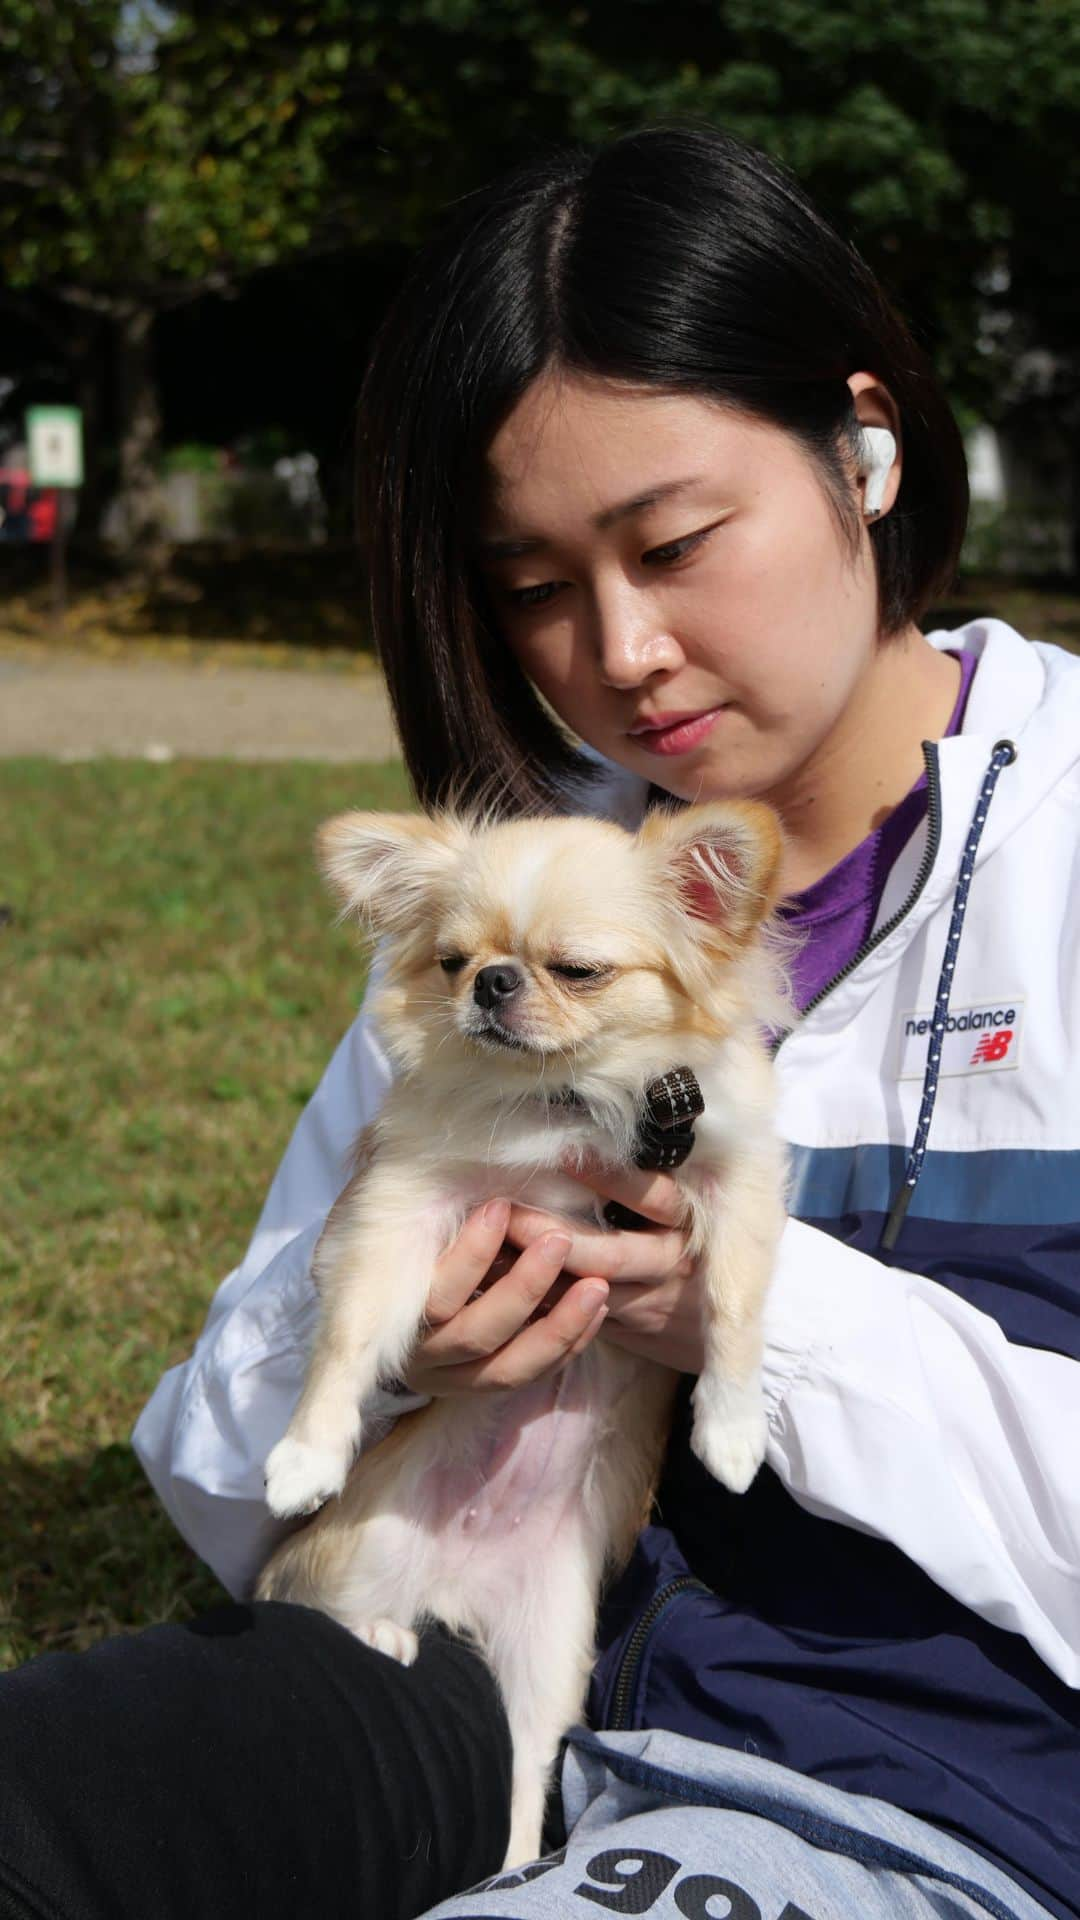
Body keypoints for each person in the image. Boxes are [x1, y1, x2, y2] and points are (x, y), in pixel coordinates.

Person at [3, 122, 1078, 1920]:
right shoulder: (503, 914)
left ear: (866, 445)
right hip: (433, 1667)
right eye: (529, 588)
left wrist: (760, 1320)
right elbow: (210, 1463)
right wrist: (399, 1341)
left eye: (675, 542)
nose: (620, 649)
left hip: (901, 1766)